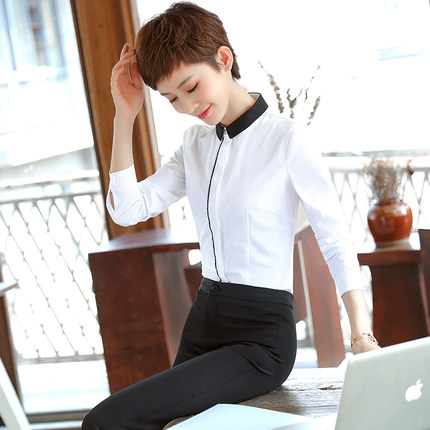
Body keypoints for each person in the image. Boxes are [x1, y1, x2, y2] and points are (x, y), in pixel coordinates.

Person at [82, 2, 380, 429]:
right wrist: (124, 116)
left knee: (106, 421)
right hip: (203, 320)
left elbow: (334, 238)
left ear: (223, 58)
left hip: (260, 339)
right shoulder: (195, 145)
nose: (187, 105)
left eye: (190, 87)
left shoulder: (286, 139)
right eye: (171, 98)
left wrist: (361, 335)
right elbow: (127, 209)